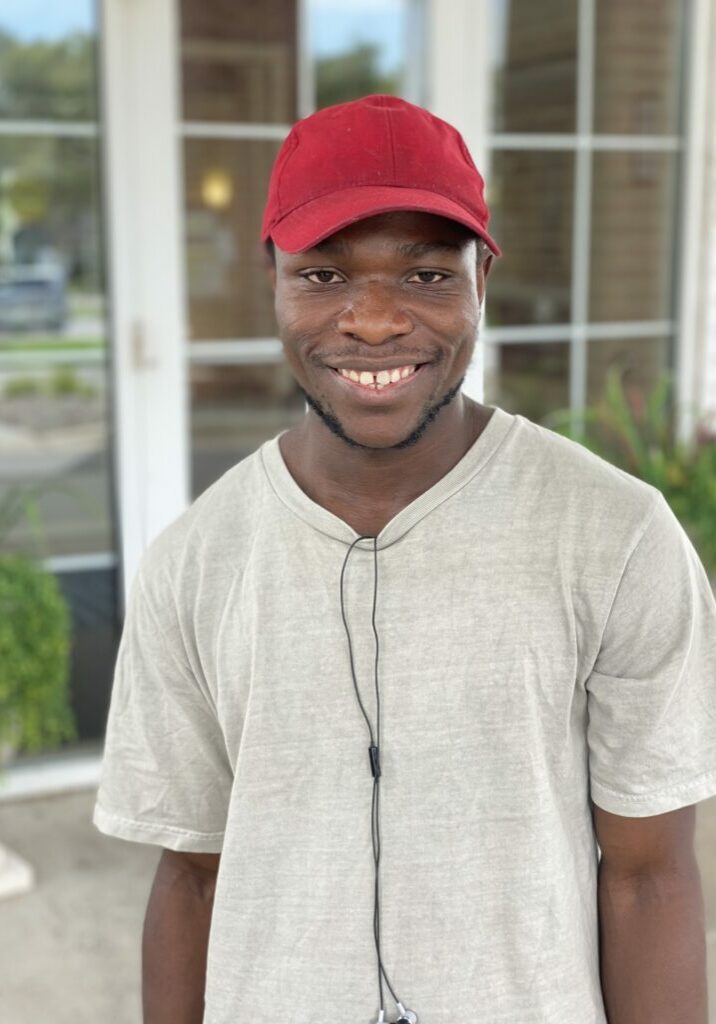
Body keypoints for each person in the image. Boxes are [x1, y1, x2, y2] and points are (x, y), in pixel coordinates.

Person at [93, 94, 716, 1024]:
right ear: (273, 277)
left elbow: (649, 878)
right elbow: (190, 879)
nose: (375, 321)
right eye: (326, 274)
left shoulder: (615, 538)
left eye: (427, 274)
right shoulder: (195, 562)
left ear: (483, 281)